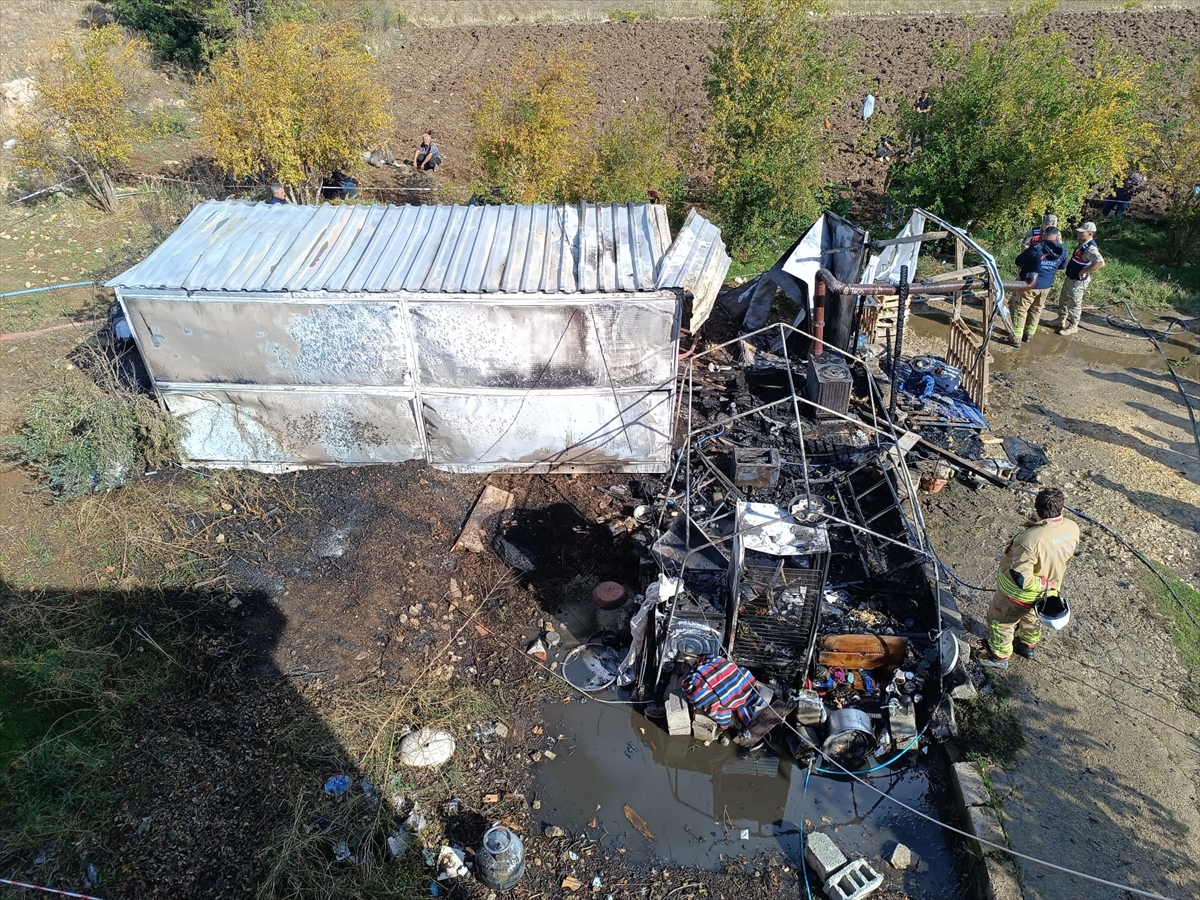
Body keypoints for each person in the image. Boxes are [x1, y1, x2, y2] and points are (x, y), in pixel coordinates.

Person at [977, 488, 1080, 669]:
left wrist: (1040, 583)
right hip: (1049, 592)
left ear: (1037, 510)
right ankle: (1027, 646)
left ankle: (999, 656)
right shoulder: (1072, 528)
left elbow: (1022, 578)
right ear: (1061, 510)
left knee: (1000, 621)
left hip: (1017, 595)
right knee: (1031, 618)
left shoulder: (1030, 539)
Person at [1009, 226, 1067, 344]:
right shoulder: (1063, 250)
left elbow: (1018, 261)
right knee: (1036, 310)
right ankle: (1029, 335)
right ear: (1057, 237)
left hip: (1029, 285)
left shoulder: (1036, 248)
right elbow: (1062, 266)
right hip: (1046, 286)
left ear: (1044, 235)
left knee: (1020, 309)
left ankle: (1016, 338)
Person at [1055, 222, 1105, 336]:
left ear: (1090, 234)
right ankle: (1060, 319)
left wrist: (1085, 271)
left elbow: (1100, 263)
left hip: (1078, 282)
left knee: (1074, 303)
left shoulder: (1091, 248)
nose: (1079, 233)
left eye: (1082, 232)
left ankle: (1073, 325)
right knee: (1064, 298)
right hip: (1071, 277)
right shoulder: (1082, 244)